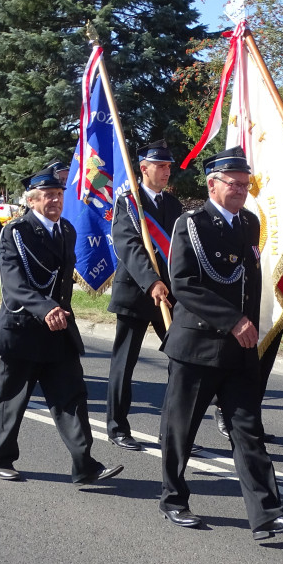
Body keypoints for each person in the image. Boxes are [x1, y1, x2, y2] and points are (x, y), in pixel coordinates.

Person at [159, 146, 283, 540]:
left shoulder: (247, 223)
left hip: (238, 348)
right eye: (234, 183)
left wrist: (252, 327)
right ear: (213, 183)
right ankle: (173, 499)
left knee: (248, 430)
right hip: (198, 344)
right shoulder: (191, 223)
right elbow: (184, 285)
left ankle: (266, 514)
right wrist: (232, 320)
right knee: (181, 429)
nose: (242, 190)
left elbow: (248, 280)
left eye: (246, 184)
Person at [0, 165, 122, 485]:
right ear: (32, 201)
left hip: (58, 330)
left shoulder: (67, 231)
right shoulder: (15, 232)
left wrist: (56, 311)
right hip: (23, 328)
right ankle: (0, 459)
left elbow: (61, 283)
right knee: (12, 399)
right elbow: (15, 285)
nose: (55, 201)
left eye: (59, 195)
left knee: (72, 397)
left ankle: (85, 465)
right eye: (48, 196)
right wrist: (46, 308)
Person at [106, 139, 182, 451]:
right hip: (137, 294)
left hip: (169, 297)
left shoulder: (174, 205)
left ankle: (173, 430)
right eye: (161, 166)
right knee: (125, 364)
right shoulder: (128, 202)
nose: (166, 172)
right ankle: (117, 426)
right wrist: (151, 282)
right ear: (144, 168)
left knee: (180, 361)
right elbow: (129, 247)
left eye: (168, 167)